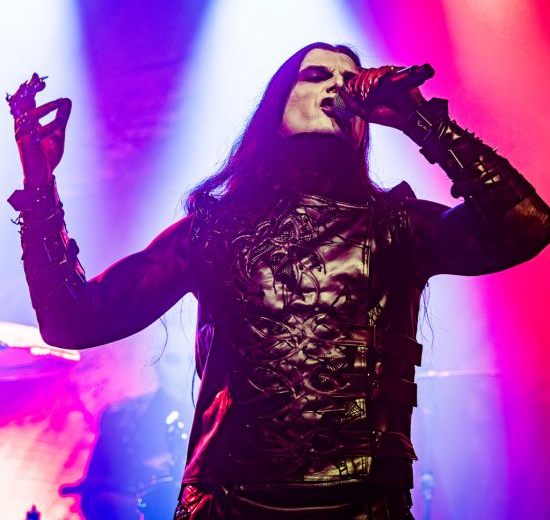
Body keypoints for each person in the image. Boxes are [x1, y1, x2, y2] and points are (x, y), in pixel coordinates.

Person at [7, 43, 549, 519]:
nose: (339, 87)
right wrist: (39, 184)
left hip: (366, 507)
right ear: (277, 107)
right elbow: (72, 321)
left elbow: (526, 226)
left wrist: (418, 118)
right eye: (317, 75)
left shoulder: (399, 226)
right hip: (229, 504)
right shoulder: (212, 228)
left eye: (351, 79)